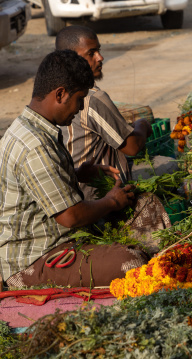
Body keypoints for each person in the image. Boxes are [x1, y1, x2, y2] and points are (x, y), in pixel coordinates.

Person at [0, 50, 149, 289]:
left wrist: (78, 174)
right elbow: (71, 216)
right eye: (79, 99)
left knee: (144, 205)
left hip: (55, 240)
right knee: (132, 263)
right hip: (36, 260)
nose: (79, 108)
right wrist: (112, 201)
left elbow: (38, 185)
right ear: (60, 94)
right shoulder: (35, 145)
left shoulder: (28, 127)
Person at [55, 25, 153, 201]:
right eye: (91, 53)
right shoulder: (93, 98)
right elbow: (132, 147)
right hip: (98, 196)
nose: (100, 58)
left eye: (99, 51)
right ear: (71, 60)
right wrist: (142, 125)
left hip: (72, 191)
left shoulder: (56, 91)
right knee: (168, 166)